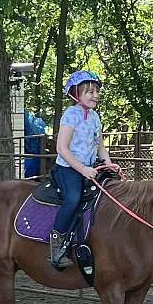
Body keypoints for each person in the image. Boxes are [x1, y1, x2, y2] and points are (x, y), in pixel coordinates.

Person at [49, 70, 118, 269]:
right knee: (73, 198)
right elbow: (61, 148)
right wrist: (82, 169)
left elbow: (99, 145)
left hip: (89, 168)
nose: (95, 95)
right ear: (76, 94)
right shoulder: (71, 115)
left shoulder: (95, 116)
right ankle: (57, 244)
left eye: (96, 91)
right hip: (69, 168)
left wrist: (108, 163)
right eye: (89, 92)